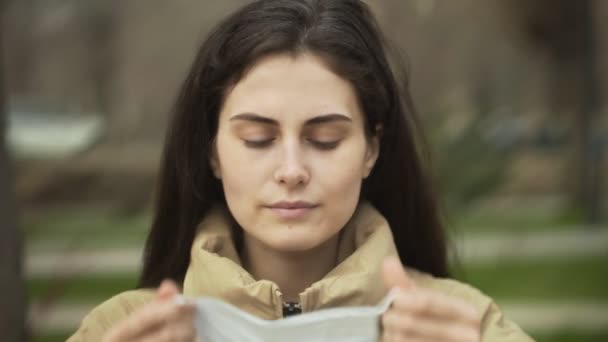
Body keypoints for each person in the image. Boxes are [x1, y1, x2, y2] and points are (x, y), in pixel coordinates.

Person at [69, 0, 532, 341]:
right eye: (258, 139)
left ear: (371, 148)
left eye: (324, 139)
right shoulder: (121, 331)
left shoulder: (462, 325)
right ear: (212, 151)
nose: (291, 170)